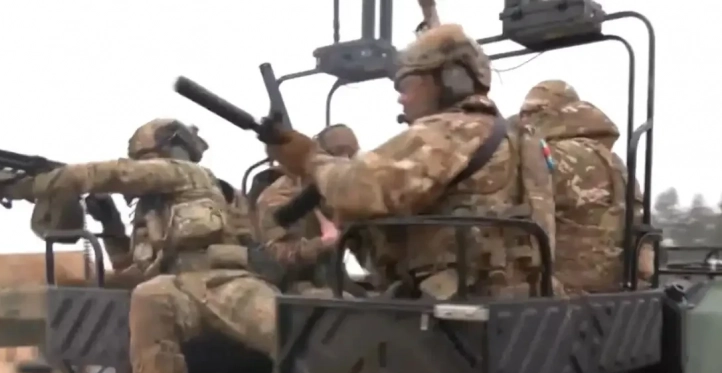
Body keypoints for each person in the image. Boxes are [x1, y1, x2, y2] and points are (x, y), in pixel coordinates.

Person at [0, 118, 285, 373]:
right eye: (141, 159)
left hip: (229, 281)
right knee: (148, 299)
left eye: (149, 157)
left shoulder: (190, 176)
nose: (145, 166)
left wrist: (29, 185)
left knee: (292, 333)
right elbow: (133, 269)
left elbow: (113, 174)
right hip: (175, 289)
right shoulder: (149, 212)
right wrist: (110, 225)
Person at [260, 23, 556, 299]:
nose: (401, 98)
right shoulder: (517, 136)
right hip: (514, 303)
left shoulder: (448, 131)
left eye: (408, 85)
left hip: (449, 313)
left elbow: (361, 189)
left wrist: (310, 159)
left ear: (449, 81)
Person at [519, 79, 653, 293]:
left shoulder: (550, 156)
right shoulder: (617, 163)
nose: (524, 120)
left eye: (531, 112)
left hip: (561, 293)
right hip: (617, 289)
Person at [255, 125, 362, 292]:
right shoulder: (278, 196)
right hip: (293, 284)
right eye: (337, 152)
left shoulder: (350, 191)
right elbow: (273, 256)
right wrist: (322, 244)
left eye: (352, 153)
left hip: (335, 278)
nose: (345, 160)